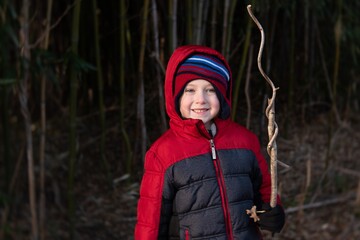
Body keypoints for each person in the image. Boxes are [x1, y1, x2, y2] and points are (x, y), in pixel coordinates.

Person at [134, 45, 285, 239]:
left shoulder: (245, 142)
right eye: (190, 90)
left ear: (222, 96)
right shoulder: (163, 153)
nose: (200, 99)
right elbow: (151, 223)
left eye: (210, 90)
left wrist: (273, 213)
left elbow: (264, 189)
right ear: (175, 96)